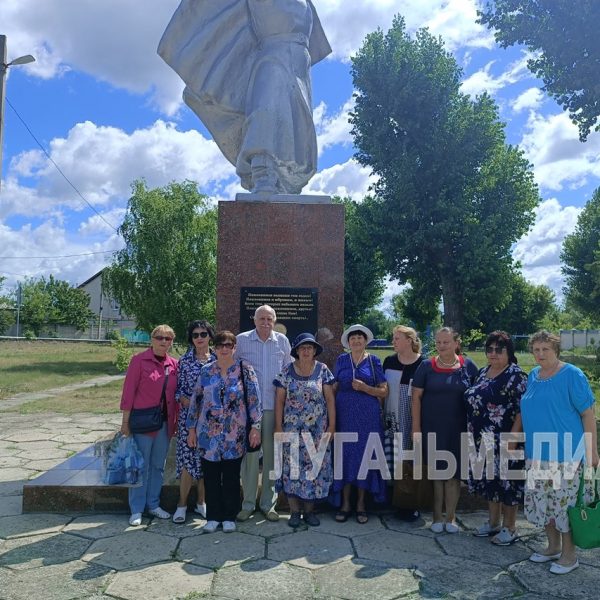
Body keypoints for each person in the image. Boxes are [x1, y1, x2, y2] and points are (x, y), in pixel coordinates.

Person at [158, 0, 332, 194]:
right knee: (265, 112)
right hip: (272, 56)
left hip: (299, 63)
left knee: (294, 123)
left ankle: (285, 180)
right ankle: (262, 173)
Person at [517, 330, 598, 574]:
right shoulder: (533, 375)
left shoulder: (572, 375)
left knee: (565, 506)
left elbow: (588, 413)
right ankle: (551, 547)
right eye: (536, 350)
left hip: (566, 455)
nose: (540, 354)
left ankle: (569, 555)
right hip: (537, 453)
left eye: (546, 350)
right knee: (543, 504)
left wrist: (592, 450)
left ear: (556, 350)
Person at [187, 331, 262, 533]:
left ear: (234, 348)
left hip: (233, 435)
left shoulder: (244, 370)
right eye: (220, 345)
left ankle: (229, 515)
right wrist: (191, 429)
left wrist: (256, 427)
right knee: (211, 476)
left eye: (229, 345)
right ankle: (213, 516)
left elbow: (255, 400)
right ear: (215, 348)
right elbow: (196, 402)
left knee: (230, 476)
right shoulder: (206, 371)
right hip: (208, 435)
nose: (224, 349)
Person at [412, 327, 478, 534]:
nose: (441, 346)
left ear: (456, 343)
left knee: (453, 475)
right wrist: (416, 428)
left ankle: (451, 517)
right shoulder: (425, 366)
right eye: (439, 342)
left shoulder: (468, 366)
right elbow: (416, 398)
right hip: (432, 427)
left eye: (446, 342)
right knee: (436, 474)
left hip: (458, 429)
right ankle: (436, 517)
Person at [465, 331, 527, 545]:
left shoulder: (516, 375)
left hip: (507, 438)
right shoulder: (483, 372)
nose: (493, 353)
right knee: (490, 481)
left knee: (508, 483)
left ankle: (510, 528)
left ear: (509, 351)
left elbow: (522, 410)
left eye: (499, 349)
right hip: (482, 438)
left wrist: (514, 436)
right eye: (489, 349)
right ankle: (493, 523)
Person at [236, 305, 292, 521]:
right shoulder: (242, 340)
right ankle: (248, 503)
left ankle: (268, 504)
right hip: (249, 411)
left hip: (273, 408)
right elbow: (234, 368)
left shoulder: (282, 341)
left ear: (274, 320)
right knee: (250, 459)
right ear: (255, 320)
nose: (266, 322)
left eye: (269, 319)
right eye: (262, 318)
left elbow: (288, 372)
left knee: (271, 459)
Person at [274, 332, 336, 528]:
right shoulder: (286, 371)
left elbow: (330, 400)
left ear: (315, 351)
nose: (307, 351)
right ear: (297, 351)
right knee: (292, 469)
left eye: (310, 347)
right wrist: (277, 427)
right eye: (303, 348)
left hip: (317, 432)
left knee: (313, 471)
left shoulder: (323, 370)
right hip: (292, 431)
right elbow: (279, 401)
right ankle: (294, 512)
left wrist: (332, 426)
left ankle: (309, 512)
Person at [120, 325, 179, 527]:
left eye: (168, 339)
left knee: (157, 466)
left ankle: (153, 504)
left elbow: (176, 397)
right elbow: (128, 393)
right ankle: (136, 509)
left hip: (164, 423)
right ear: (152, 339)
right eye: (160, 338)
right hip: (144, 423)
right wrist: (125, 422)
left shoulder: (174, 365)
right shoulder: (139, 361)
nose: (164, 342)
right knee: (140, 466)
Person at [332, 324, 388, 524]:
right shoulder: (341, 360)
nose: (356, 341)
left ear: (365, 341)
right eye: (352, 338)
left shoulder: (374, 361)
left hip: (367, 416)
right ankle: (345, 503)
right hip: (345, 415)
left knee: (365, 457)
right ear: (348, 342)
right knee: (346, 456)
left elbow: (384, 391)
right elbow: (334, 386)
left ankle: (361, 504)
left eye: (359, 337)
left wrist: (366, 388)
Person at [172, 320, 216, 524]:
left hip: (211, 420)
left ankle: (201, 502)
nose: (199, 338)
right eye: (195, 335)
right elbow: (178, 390)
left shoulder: (218, 359)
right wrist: (187, 402)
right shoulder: (184, 361)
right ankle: (181, 504)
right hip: (188, 420)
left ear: (210, 336)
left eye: (203, 334)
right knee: (188, 462)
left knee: (206, 462)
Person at [383, 325, 424, 522]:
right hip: (390, 418)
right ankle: (393, 500)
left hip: (410, 419)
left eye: (397, 338)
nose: (394, 342)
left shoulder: (422, 364)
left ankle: (410, 504)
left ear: (409, 340)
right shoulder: (389, 361)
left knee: (409, 461)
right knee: (391, 459)